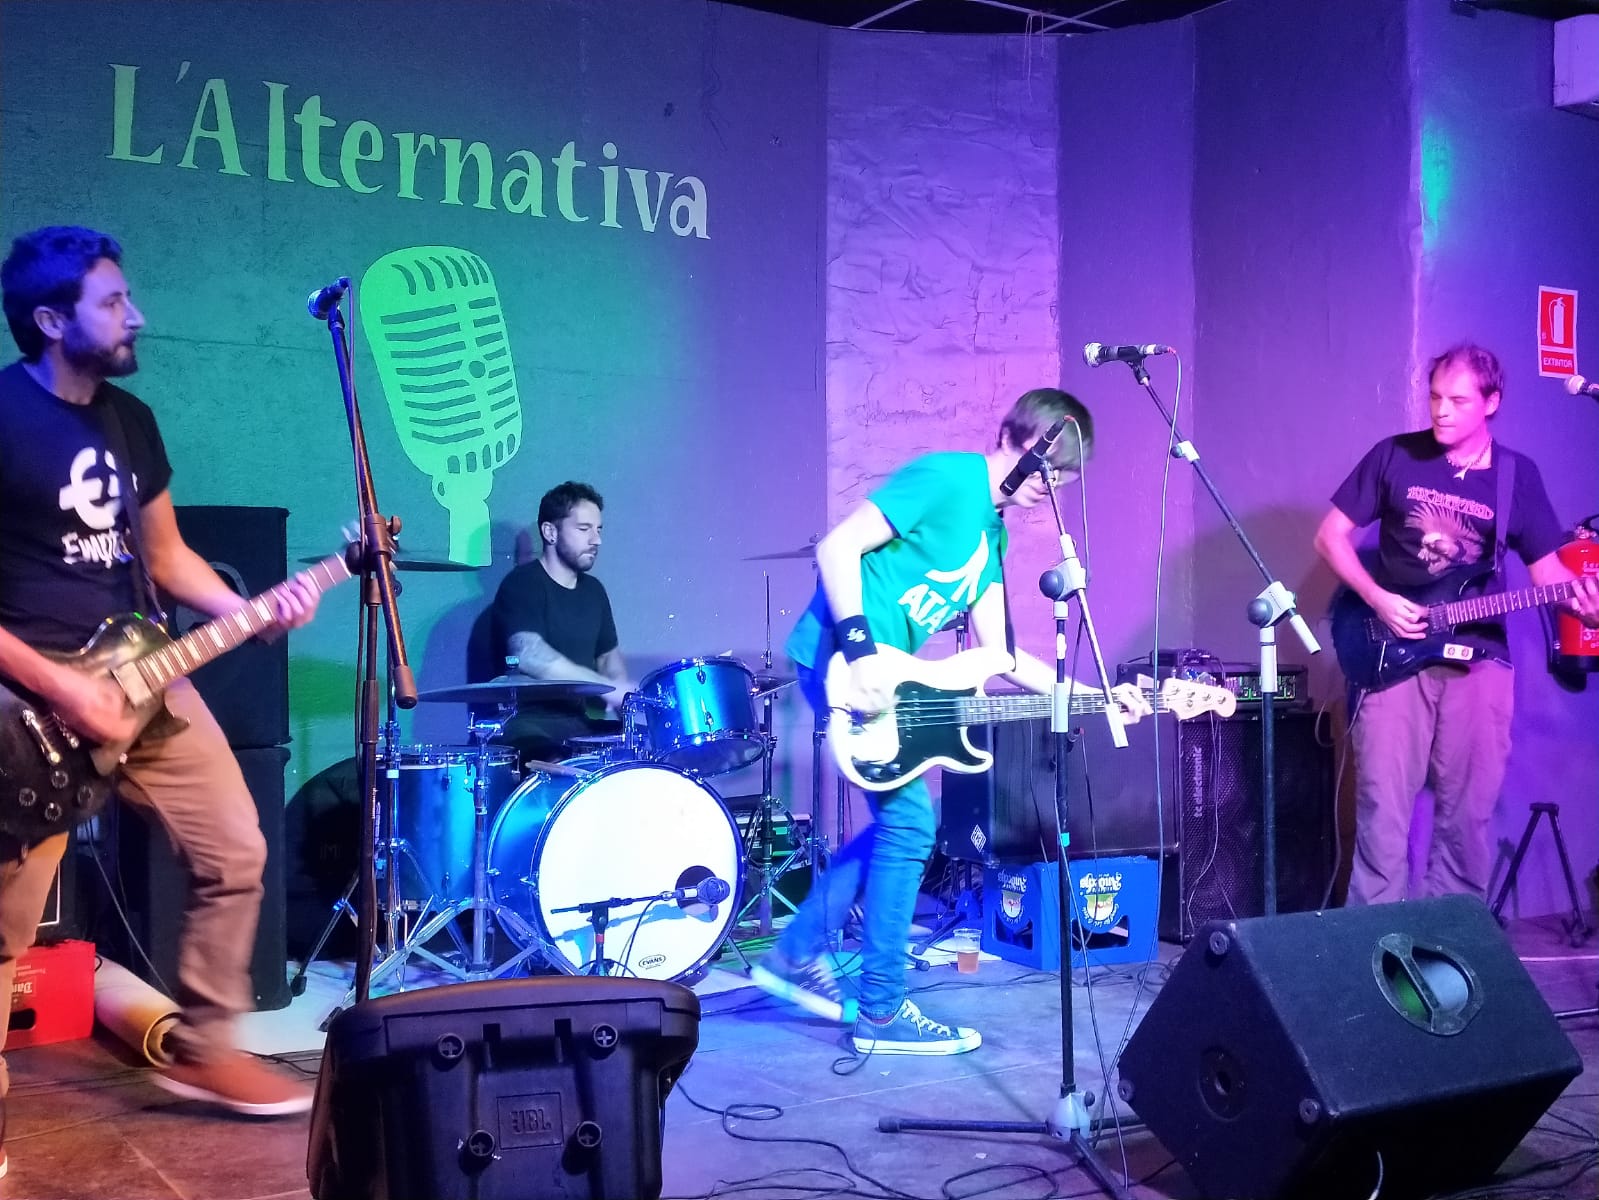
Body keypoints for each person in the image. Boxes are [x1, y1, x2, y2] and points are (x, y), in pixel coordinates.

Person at [0, 226, 325, 1164]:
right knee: (6, 928)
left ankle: (206, 1051)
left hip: (148, 679)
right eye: (113, 301)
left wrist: (248, 611)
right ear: (51, 319)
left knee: (238, 852)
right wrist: (64, 689)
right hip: (34, 710)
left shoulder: (130, 420)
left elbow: (168, 555)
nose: (136, 314)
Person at [751, 388, 1151, 1055]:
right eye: (1046, 464)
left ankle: (795, 952)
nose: (1049, 484)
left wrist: (1094, 695)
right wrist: (861, 652)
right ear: (1013, 436)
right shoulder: (946, 479)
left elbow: (999, 655)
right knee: (911, 825)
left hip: (894, 679)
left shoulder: (991, 533)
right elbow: (837, 548)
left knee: (901, 824)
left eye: (1064, 477)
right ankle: (880, 1013)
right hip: (844, 661)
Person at [1314, 342, 1599, 906]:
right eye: (1435, 397)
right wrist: (1377, 598)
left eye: (1458, 401)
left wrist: (1582, 604)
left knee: (1468, 818)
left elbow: (1548, 575)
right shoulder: (1395, 455)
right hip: (1394, 651)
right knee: (1383, 810)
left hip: (1481, 659)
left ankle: (1450, 944)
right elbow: (1329, 537)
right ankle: (1375, 943)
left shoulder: (1516, 476)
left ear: (1491, 402)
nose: (1441, 411)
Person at [490, 481, 633, 763]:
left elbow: (609, 661)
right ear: (550, 532)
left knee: (646, 751)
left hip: (578, 724)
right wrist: (608, 688)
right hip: (527, 725)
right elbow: (530, 655)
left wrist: (628, 710)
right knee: (555, 759)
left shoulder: (594, 591)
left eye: (599, 529)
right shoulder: (522, 584)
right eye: (584, 529)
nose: (596, 540)